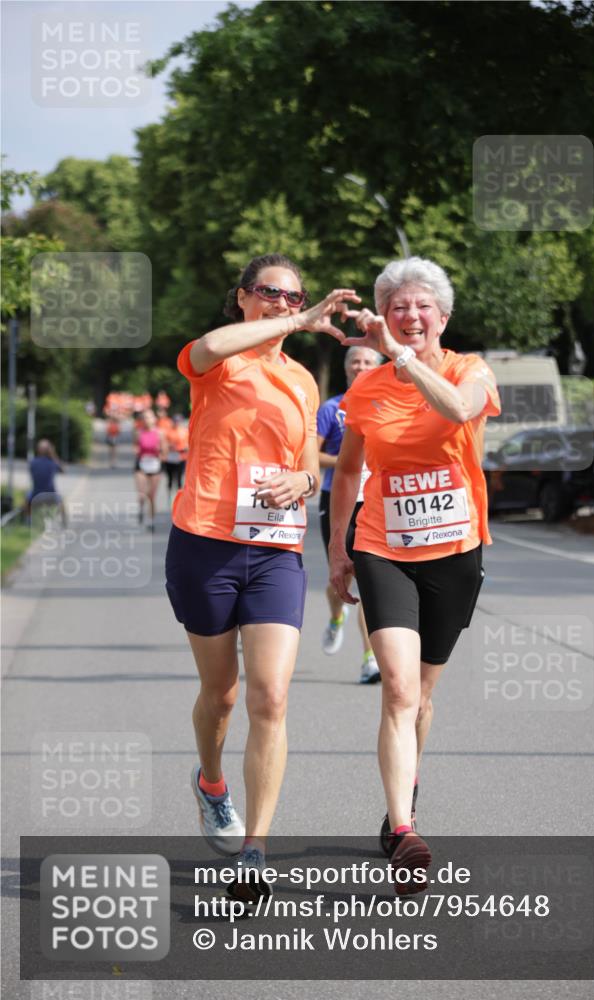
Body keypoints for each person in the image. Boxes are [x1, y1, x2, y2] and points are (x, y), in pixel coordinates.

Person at [164, 253, 359, 899]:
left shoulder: (302, 380)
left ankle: (255, 850)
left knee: (270, 697)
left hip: (274, 550)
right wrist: (298, 321)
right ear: (243, 296)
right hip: (205, 544)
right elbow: (209, 346)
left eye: (294, 296)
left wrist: (301, 481)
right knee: (220, 695)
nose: (283, 302)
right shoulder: (218, 360)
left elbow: (308, 466)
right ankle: (211, 783)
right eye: (271, 292)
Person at [329, 257, 500, 895]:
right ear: (384, 315)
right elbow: (349, 470)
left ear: (443, 318)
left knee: (423, 698)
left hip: (455, 551)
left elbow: (457, 411)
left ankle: (409, 785)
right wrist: (338, 547)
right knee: (398, 691)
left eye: (423, 305)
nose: (410, 315)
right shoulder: (366, 391)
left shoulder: (469, 370)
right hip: (384, 547)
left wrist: (401, 357)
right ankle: (403, 831)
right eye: (397, 306)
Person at [317, 346, 382, 683]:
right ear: (346, 368)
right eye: (355, 361)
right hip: (338, 499)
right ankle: (336, 616)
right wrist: (348, 462)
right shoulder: (332, 408)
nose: (361, 366)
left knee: (370, 581)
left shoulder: (386, 404)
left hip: (374, 500)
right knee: (341, 577)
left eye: (368, 361)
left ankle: (370, 659)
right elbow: (311, 454)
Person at [134, 410, 167, 529]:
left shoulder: (160, 433)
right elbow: (135, 447)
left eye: (149, 417)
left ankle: (151, 521)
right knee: (142, 494)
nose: (147, 420)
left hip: (155, 465)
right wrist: (137, 451)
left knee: (152, 496)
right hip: (141, 465)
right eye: (145, 418)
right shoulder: (138, 433)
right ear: (142, 420)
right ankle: (141, 508)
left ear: (154, 419)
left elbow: (165, 452)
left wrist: (160, 452)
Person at [25, 439, 66, 525]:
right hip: (51, 496)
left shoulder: (33, 463)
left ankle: (28, 520)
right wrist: (53, 455)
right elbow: (63, 470)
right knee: (61, 500)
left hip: (35, 496)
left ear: (38, 450)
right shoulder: (53, 463)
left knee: (27, 496)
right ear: (49, 450)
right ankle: (63, 521)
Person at [164, 414, 189, 498]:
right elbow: (164, 444)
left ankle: (179, 497)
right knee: (170, 478)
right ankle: (169, 497)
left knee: (179, 478)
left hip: (181, 457)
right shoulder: (168, 432)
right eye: (175, 421)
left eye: (178, 421)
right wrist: (169, 447)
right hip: (170, 458)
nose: (177, 423)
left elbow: (188, 444)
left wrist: (184, 448)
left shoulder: (185, 431)